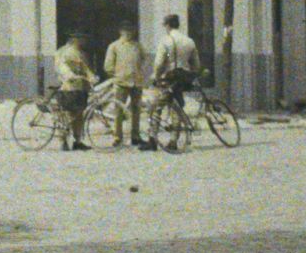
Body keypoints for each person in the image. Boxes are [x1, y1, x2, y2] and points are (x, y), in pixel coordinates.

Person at [152, 13, 200, 148]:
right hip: (183, 79)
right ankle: (173, 140)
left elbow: (159, 63)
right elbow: (196, 65)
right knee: (177, 108)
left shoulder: (166, 41)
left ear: (167, 26)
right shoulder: (189, 41)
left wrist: (156, 77)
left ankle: (152, 140)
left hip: (170, 78)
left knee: (157, 106)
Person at [102, 21, 152, 149]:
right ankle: (117, 137)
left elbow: (146, 59)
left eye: (131, 30)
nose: (129, 33)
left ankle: (135, 136)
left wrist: (141, 70)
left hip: (136, 82)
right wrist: (118, 74)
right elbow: (108, 66)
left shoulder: (137, 46)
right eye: (126, 30)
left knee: (136, 110)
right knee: (118, 111)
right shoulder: (114, 46)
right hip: (121, 83)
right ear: (120, 31)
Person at [52, 32, 96, 151]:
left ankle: (78, 141)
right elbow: (60, 66)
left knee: (79, 114)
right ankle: (63, 141)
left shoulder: (80, 53)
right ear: (74, 39)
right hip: (68, 87)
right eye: (81, 38)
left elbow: (85, 68)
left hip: (81, 87)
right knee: (67, 115)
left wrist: (91, 76)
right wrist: (69, 75)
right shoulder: (63, 51)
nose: (83, 41)